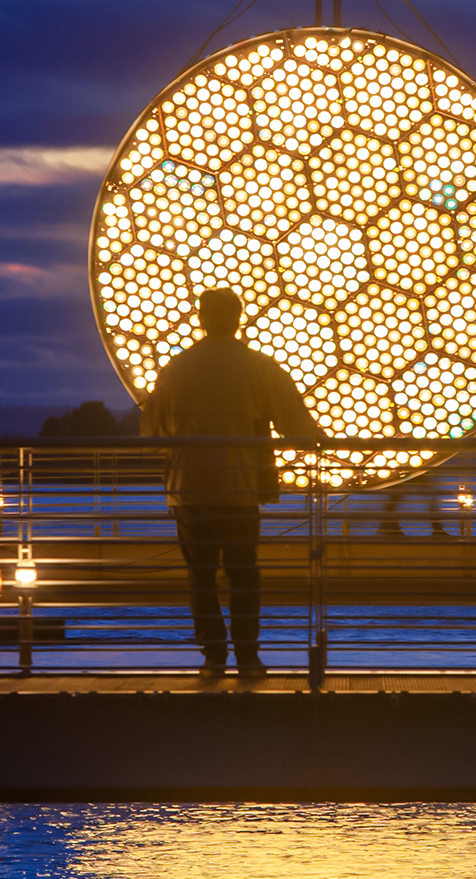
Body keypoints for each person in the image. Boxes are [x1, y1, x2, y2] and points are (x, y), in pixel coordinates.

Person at [141, 288, 321, 678]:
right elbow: (296, 426)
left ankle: (213, 655)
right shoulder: (259, 367)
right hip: (240, 489)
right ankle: (248, 656)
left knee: (200, 574)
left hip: (188, 487)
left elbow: (152, 430)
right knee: (243, 572)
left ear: (201, 318)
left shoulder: (176, 368)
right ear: (239, 317)